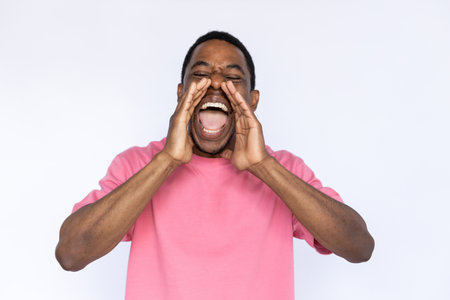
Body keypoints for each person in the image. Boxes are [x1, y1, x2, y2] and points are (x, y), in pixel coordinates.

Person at [56, 31, 374, 299]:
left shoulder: (284, 169)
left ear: (252, 101)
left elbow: (358, 246)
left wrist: (263, 166)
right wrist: (167, 160)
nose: (217, 84)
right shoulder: (138, 164)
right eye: (201, 74)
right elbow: (71, 253)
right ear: (181, 94)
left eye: (233, 77)